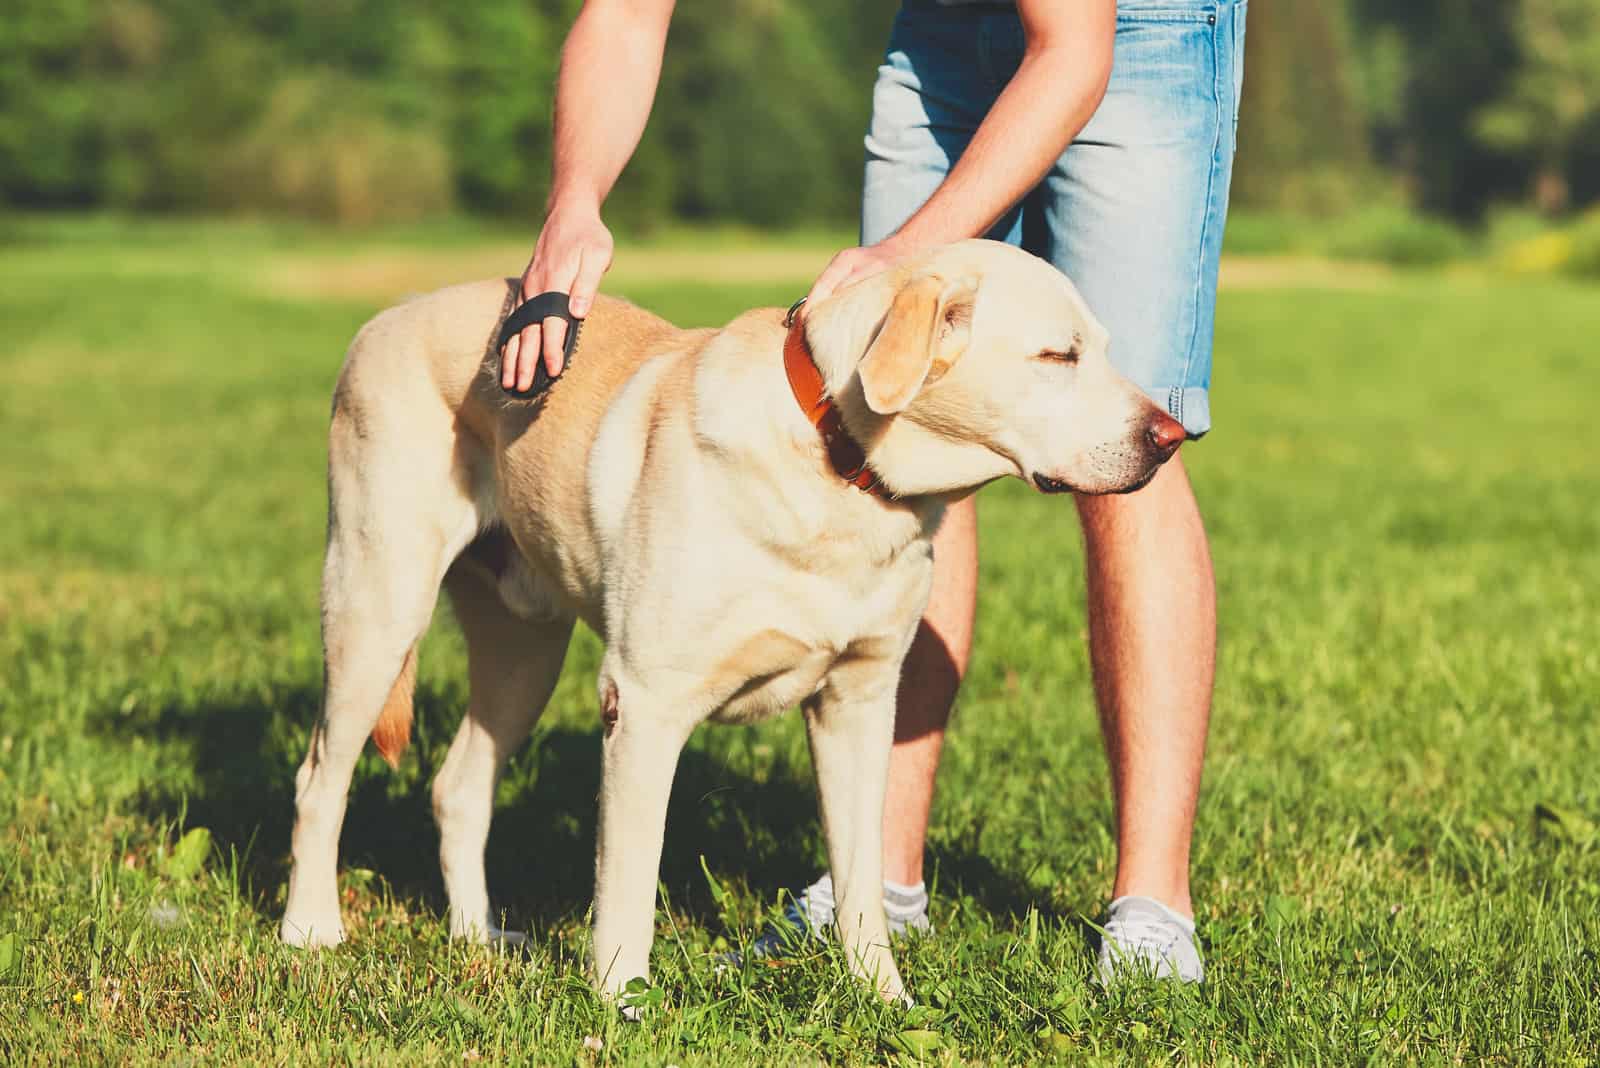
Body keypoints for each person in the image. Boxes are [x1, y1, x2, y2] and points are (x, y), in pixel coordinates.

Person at [504, 0, 1246, 983]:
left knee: (1122, 447)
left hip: (1130, 27)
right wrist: (574, 203)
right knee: (901, 407)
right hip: (944, 31)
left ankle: (1151, 908)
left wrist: (908, 260)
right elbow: (627, 16)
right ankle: (880, 890)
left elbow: (1073, 49)